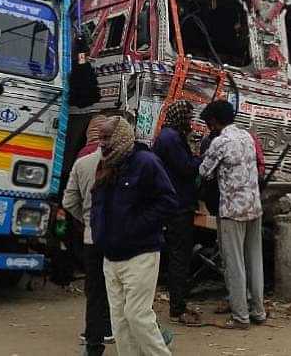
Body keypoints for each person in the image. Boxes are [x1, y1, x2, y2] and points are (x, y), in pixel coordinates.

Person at [91, 116, 177, 356]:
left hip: (140, 254)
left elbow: (168, 202)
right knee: (119, 322)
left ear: (121, 137)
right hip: (111, 257)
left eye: (107, 137)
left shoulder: (146, 162)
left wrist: (135, 226)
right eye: (100, 138)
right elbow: (98, 204)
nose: (103, 143)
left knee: (137, 316)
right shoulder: (106, 165)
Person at [199, 100, 266, 330]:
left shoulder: (220, 142)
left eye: (210, 122)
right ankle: (258, 311)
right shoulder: (247, 137)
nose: (209, 126)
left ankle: (241, 317)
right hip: (254, 207)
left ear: (215, 122)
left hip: (231, 211)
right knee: (255, 262)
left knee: (234, 264)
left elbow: (204, 172)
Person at [63, 114, 112, 356]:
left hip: (90, 236)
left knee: (93, 290)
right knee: (116, 286)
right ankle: (111, 328)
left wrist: (86, 219)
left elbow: (69, 201)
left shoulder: (81, 159)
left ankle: (93, 340)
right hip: (116, 236)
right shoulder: (119, 159)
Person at [152, 100, 202, 326]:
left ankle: (178, 302)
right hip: (178, 206)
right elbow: (186, 168)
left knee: (176, 256)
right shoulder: (171, 138)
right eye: (188, 117)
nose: (191, 122)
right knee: (179, 257)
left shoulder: (169, 136)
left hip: (174, 203)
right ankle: (177, 307)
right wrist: (201, 159)